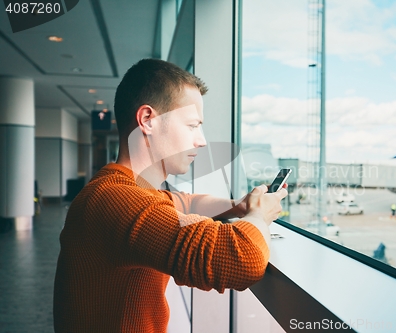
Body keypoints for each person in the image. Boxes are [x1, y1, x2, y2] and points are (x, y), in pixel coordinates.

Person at [53, 59, 288, 332]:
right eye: (192, 125)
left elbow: (185, 202)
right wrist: (260, 213)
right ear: (148, 120)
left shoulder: (123, 188)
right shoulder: (117, 200)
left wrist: (237, 206)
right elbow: (242, 260)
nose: (201, 140)